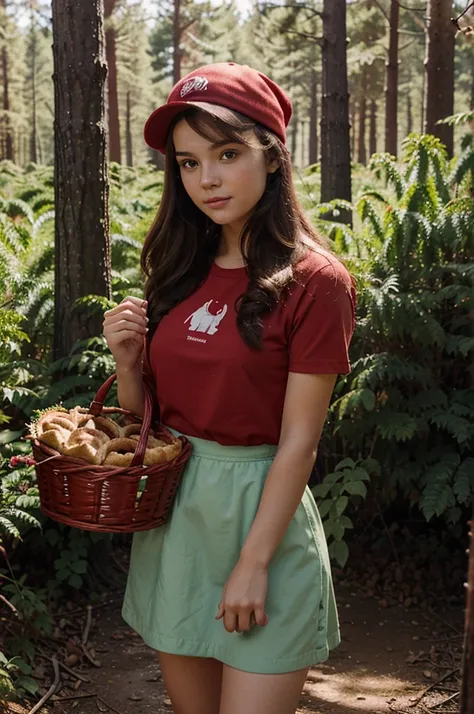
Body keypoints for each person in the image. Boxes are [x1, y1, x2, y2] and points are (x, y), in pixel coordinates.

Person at [102, 62, 356, 714]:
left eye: (227, 153)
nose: (206, 178)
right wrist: (129, 364)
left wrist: (254, 563)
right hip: (178, 522)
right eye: (187, 163)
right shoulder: (180, 267)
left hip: (261, 518)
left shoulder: (315, 281)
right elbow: (148, 421)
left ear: (272, 157)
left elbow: (300, 439)